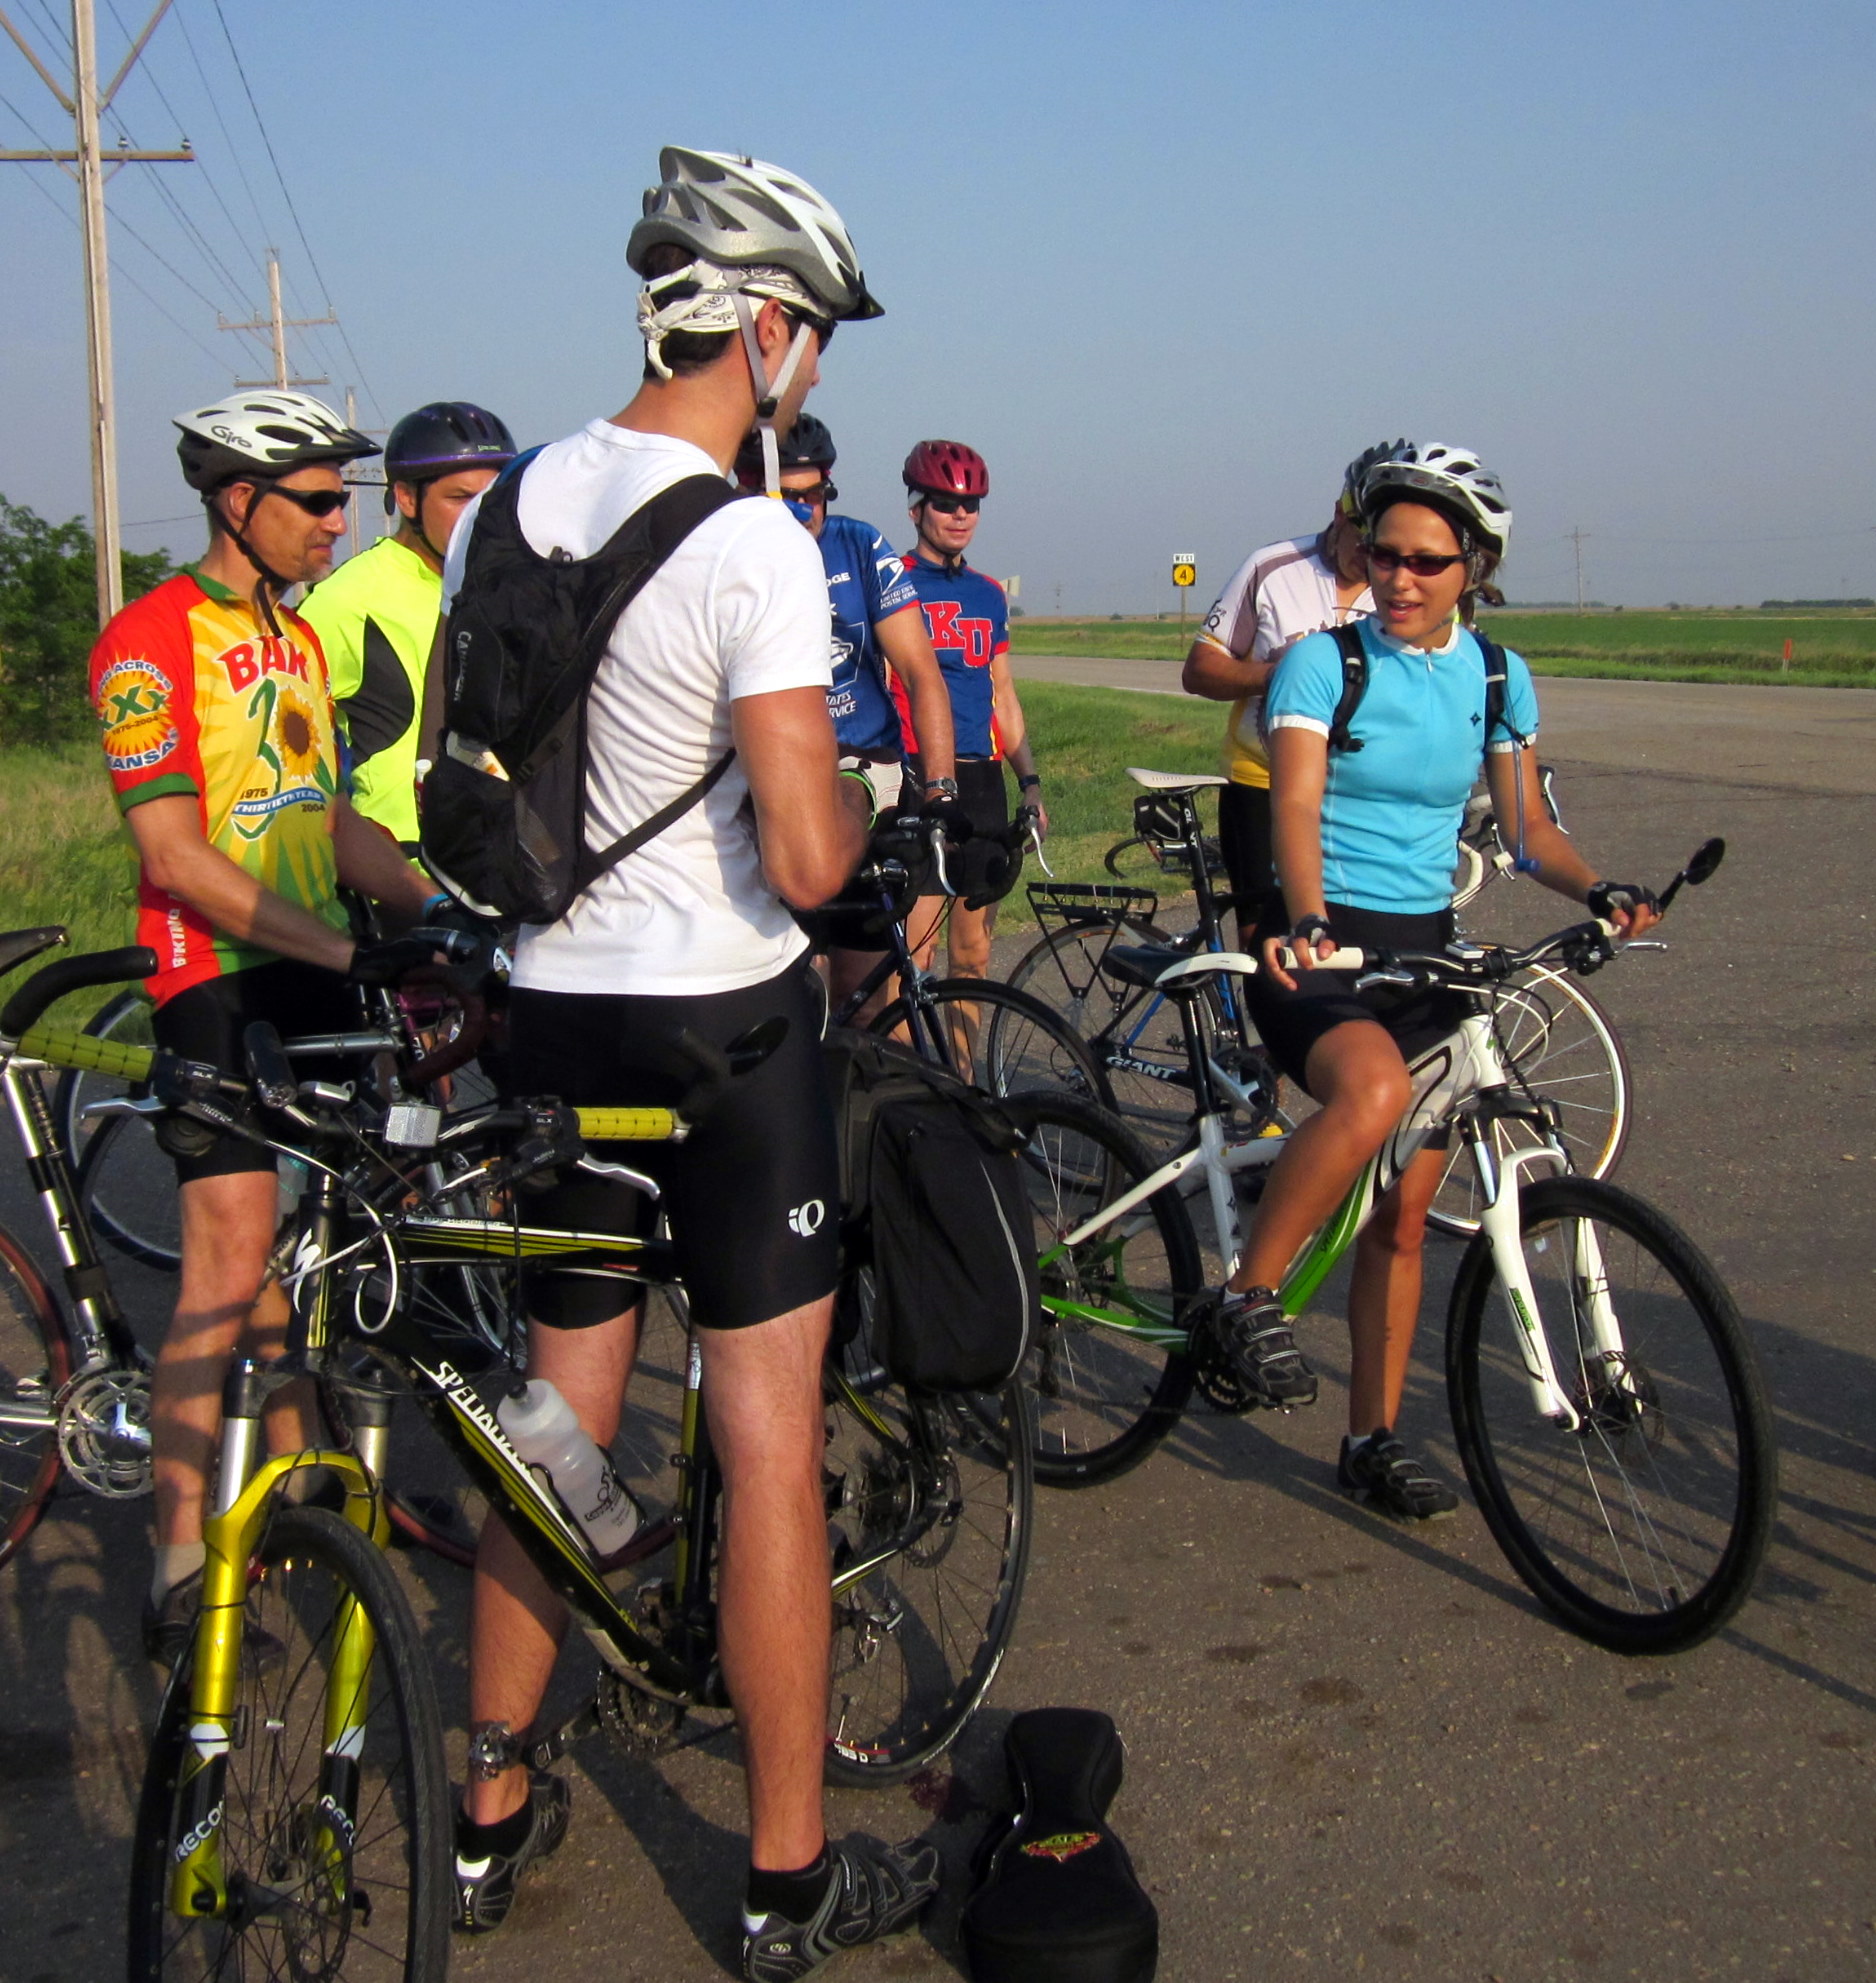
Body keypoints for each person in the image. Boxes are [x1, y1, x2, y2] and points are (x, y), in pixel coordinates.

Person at [435, 146, 934, 1976]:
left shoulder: (511, 504)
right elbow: (806, 864)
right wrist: (870, 803)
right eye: (815, 343)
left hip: (551, 1021)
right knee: (768, 1443)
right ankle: (786, 1876)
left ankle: (486, 1812)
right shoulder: (752, 541)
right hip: (724, 1035)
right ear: (773, 333)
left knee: (554, 1429)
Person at [1206, 443, 1660, 1519]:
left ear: (1476, 567)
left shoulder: (1496, 676)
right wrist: (1304, 917)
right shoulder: (1325, 662)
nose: (1397, 579)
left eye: (1425, 560)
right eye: (1381, 553)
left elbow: (1529, 828)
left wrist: (1598, 891)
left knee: (1403, 1221)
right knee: (1368, 1095)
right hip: (1317, 946)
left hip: (1425, 951)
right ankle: (1244, 1297)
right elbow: (1297, 809)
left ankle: (1370, 1439)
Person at [89, 389, 445, 1662]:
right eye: (314, 499)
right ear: (236, 502)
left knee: (307, 1244)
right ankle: (179, 1550)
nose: (336, 521)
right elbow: (176, 858)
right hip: (217, 975)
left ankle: (305, 1495)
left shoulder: (295, 641)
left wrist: (446, 911)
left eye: (342, 497)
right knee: (228, 1260)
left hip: (310, 965)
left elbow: (332, 815)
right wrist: (351, 946)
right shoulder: (147, 641)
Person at [734, 414, 957, 1006]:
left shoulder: (859, 546)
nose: (799, 512)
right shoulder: (724, 552)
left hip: (864, 764)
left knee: (870, 1004)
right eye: (781, 497)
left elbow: (920, 671)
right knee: (787, 1004)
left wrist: (939, 793)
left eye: (812, 497)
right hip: (770, 777)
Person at [1180, 443, 1403, 938]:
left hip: (1360, 791)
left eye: (1382, 545)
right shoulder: (1271, 568)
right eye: (1362, 540)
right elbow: (1198, 670)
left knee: (1355, 936)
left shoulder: (1403, 586)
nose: (1370, 559)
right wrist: (1275, 674)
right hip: (1263, 782)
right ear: (1339, 514)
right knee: (1267, 944)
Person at [298, 401, 516, 848]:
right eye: (459, 498)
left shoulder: (513, 587)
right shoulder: (349, 600)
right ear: (406, 498)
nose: (481, 514)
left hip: (505, 863)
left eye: (493, 497)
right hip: (402, 871)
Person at [891, 439, 1042, 980]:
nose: (960, 515)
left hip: (982, 781)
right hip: (917, 774)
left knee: (973, 953)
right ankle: (907, 1068)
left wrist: (1029, 780)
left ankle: (959, 1069)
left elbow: (1002, 692)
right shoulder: (892, 582)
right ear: (915, 508)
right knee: (914, 955)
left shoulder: (988, 594)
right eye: (944, 502)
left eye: (970, 504)